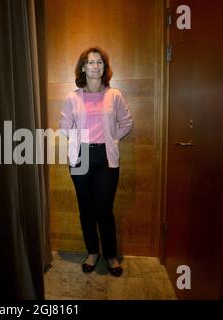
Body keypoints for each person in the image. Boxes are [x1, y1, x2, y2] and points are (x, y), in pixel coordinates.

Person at [59, 47, 133, 276]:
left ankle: (110, 255)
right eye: (90, 62)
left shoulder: (114, 95)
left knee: (104, 209)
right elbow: (64, 127)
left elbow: (127, 122)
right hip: (81, 157)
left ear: (104, 67)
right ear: (83, 67)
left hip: (106, 159)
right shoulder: (73, 98)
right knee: (86, 209)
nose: (95, 66)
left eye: (100, 62)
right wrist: (77, 142)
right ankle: (93, 252)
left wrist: (112, 138)